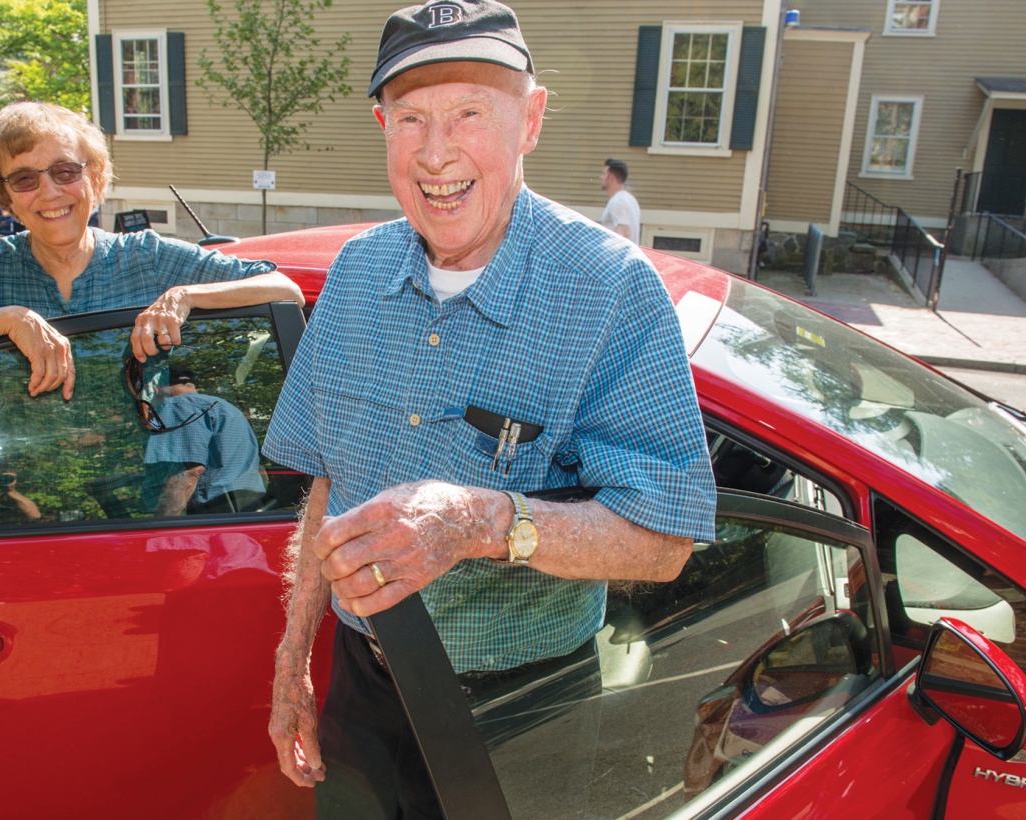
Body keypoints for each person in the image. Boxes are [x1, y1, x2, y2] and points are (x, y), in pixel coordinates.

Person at [262, 2, 715, 817]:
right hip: (361, 686)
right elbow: (328, 481)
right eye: (411, 119)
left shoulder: (610, 290)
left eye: (469, 112)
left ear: (530, 119)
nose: (437, 154)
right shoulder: (356, 275)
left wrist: (480, 521)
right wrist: (295, 655)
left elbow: (664, 542)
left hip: (521, 708)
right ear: (382, 126)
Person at [0, 101, 304, 397]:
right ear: (5, 196)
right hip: (11, 511)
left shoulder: (147, 257)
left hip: (150, 505)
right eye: (25, 178)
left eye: (65, 171)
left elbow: (284, 290)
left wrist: (183, 296)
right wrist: (7, 320)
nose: (49, 192)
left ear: (96, 179)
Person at [142, 365, 267, 516]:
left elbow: (190, 471)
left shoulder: (177, 405)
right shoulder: (224, 406)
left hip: (217, 508)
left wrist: (161, 523)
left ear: (153, 388)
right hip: (250, 503)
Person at [599, 157, 641, 244]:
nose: (600, 177)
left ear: (611, 178)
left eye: (604, 174)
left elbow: (623, 234)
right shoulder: (630, 199)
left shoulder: (618, 201)